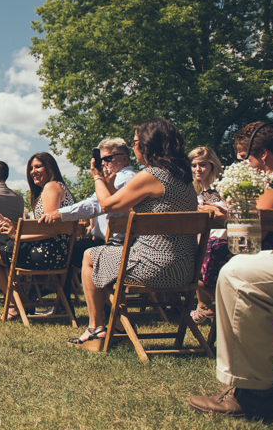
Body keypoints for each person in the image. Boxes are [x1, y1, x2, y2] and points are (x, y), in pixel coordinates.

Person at [187, 55, 273, 419]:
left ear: (261, 155)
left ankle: (250, 392)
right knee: (239, 264)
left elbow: (260, 218)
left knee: (236, 270)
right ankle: (270, 373)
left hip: (261, 241)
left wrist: (226, 209)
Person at [70, 117, 198, 350]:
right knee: (104, 255)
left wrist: (97, 177)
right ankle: (117, 328)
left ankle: (96, 330)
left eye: (136, 141)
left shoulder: (152, 175)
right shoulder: (184, 178)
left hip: (155, 267)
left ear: (148, 145)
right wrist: (109, 185)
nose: (134, 146)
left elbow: (107, 206)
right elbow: (129, 209)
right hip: (185, 269)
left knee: (90, 256)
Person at [41, 138, 136, 300]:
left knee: (64, 251)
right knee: (70, 248)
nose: (104, 163)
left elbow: (94, 205)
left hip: (116, 246)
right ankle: (62, 301)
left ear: (125, 158)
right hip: (110, 242)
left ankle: (62, 303)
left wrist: (59, 213)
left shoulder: (123, 179)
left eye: (108, 158)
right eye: (101, 160)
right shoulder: (117, 178)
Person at [0, 153, 75, 318]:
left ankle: (18, 303)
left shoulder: (51, 187)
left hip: (48, 253)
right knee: (2, 251)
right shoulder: (58, 187)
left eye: (38, 166)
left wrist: (16, 235)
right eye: (31, 168)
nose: (33, 171)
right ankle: (21, 303)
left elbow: (49, 231)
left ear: (50, 167)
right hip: (57, 252)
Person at [234, 122, 273, 251]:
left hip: (271, 256)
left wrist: (228, 214)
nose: (244, 164)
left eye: (246, 157)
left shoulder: (270, 186)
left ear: (263, 154)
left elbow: (255, 236)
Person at [187, 147, 230, 323]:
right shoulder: (197, 191)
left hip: (223, 240)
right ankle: (205, 306)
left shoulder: (222, 187)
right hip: (205, 241)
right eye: (194, 165)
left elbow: (230, 213)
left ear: (213, 165)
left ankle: (220, 305)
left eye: (202, 165)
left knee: (192, 267)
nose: (197, 169)